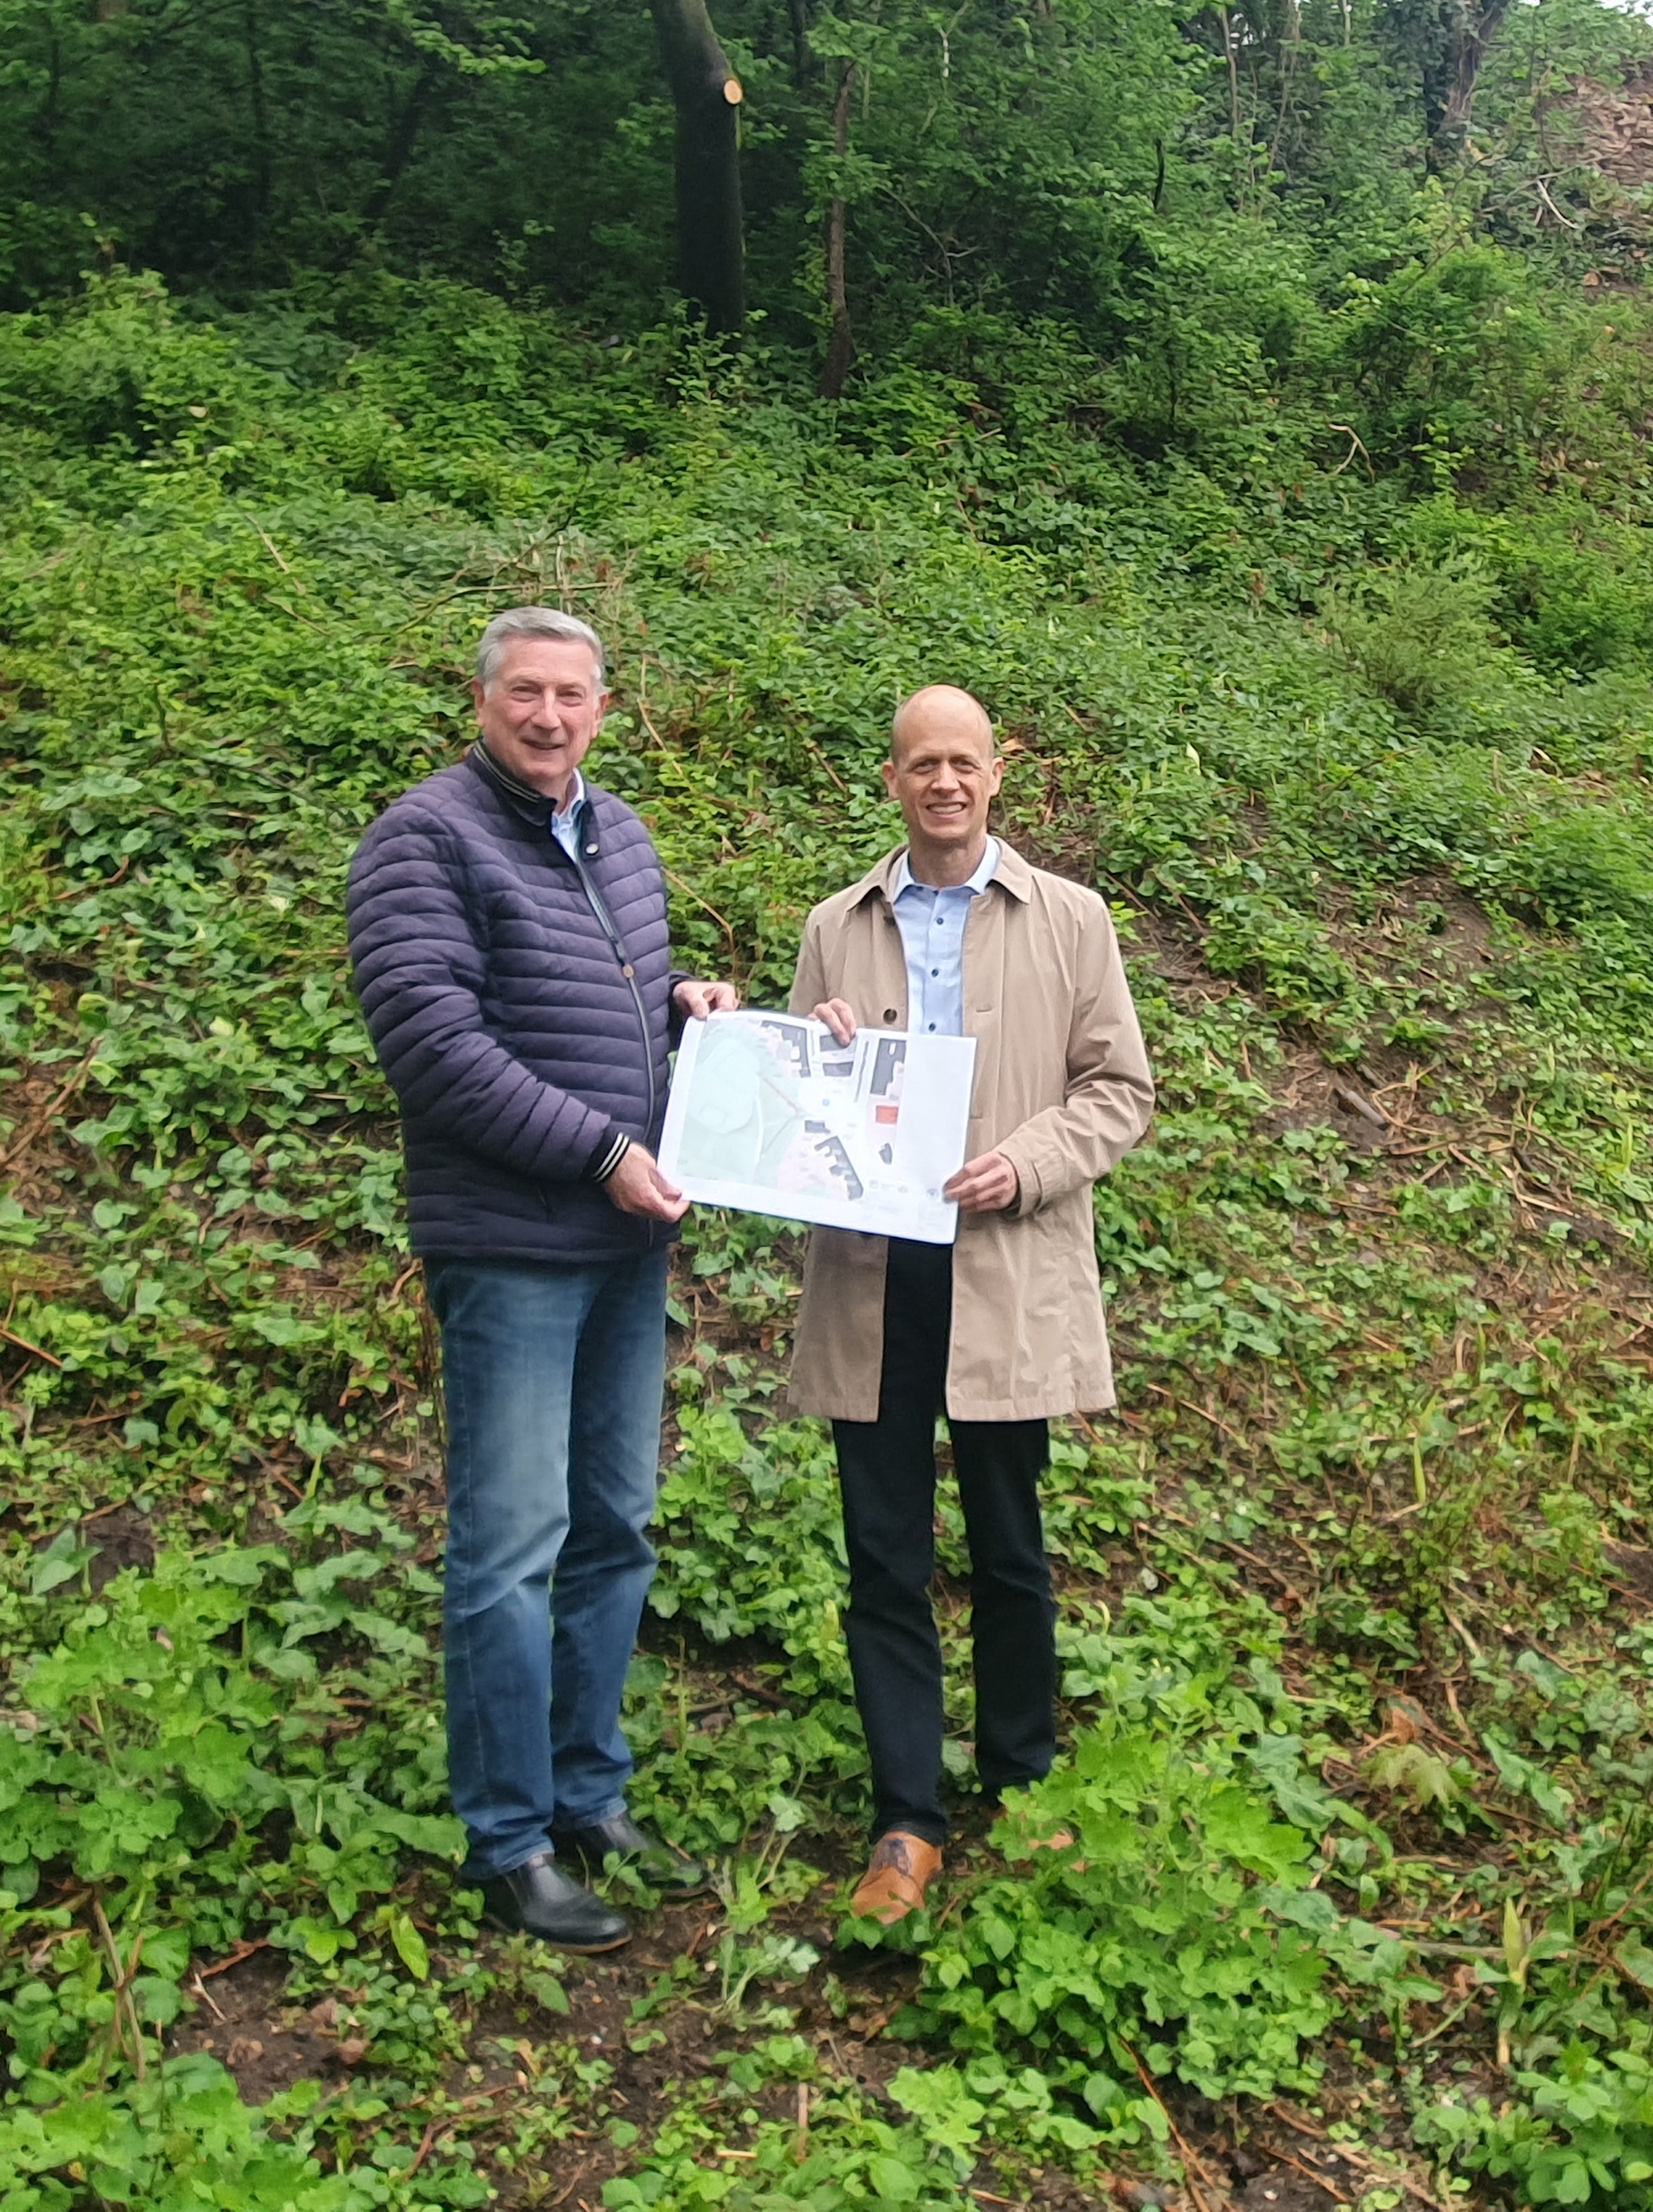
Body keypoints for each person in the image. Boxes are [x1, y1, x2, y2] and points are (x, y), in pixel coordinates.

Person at [347, 608, 736, 1951]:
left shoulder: (617, 835)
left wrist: (688, 1017)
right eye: (527, 691)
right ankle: (508, 1841)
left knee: (615, 1528)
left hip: (626, 1249)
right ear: (483, 698)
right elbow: (436, 1049)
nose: (551, 715)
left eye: (574, 694)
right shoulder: (425, 841)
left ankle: (588, 1791)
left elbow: (601, 1010)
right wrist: (602, 1152)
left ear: (606, 706)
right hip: (513, 1250)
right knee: (510, 1552)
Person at [791, 684, 1154, 1922]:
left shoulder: (1070, 918)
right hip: (872, 1276)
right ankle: (906, 1822)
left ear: (1001, 774)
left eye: (964, 762)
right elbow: (800, 1110)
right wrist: (818, 1047)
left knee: (1010, 1545)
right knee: (883, 1553)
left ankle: (1023, 1783)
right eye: (919, 764)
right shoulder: (836, 926)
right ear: (889, 778)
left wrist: (1030, 1162)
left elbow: (1119, 1090)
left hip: (1005, 1268)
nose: (943, 782)